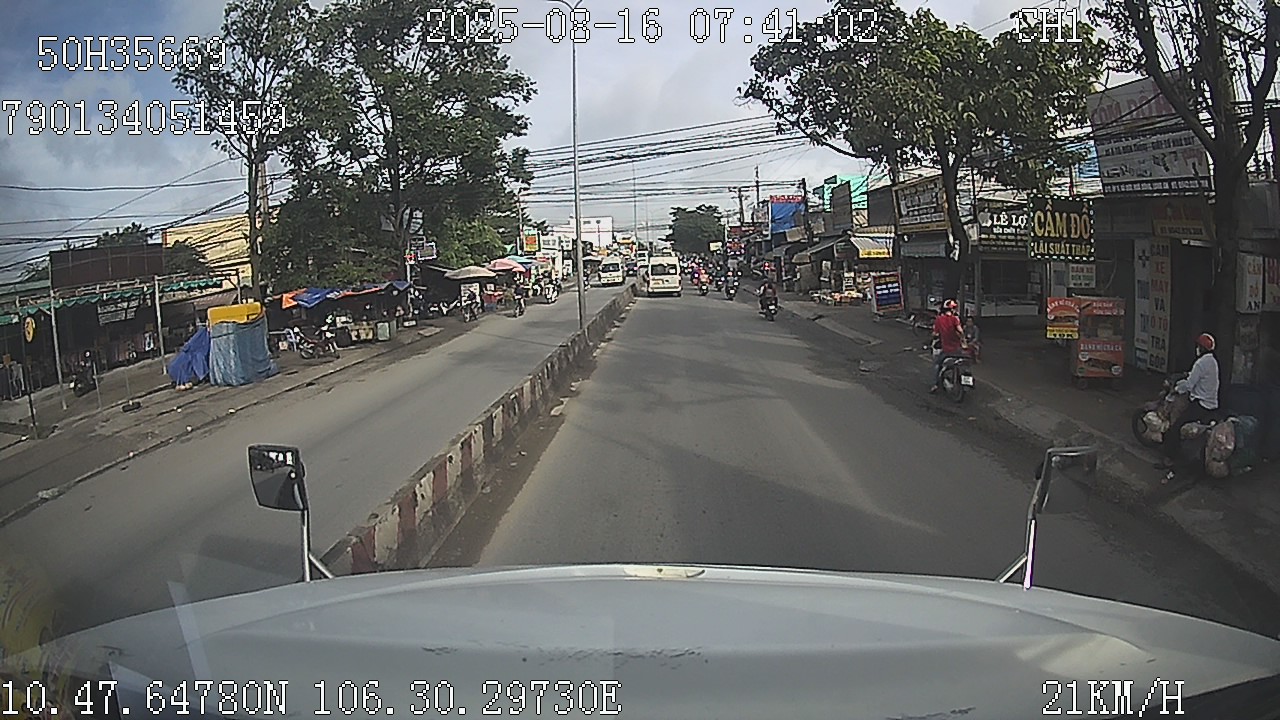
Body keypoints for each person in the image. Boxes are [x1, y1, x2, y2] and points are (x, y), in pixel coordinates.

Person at [1159, 333, 1220, 468]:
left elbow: (1189, 385)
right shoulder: (1212, 361)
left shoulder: (1200, 363)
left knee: (1175, 428)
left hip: (1201, 404)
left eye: (1198, 346)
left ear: (1201, 348)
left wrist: (1176, 389)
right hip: (1211, 403)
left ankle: (1169, 459)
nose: (1197, 348)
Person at [929, 299, 965, 393]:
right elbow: (960, 331)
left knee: (937, 364)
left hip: (946, 350)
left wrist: (932, 337)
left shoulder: (939, 320)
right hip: (957, 349)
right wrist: (963, 341)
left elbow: (935, 333)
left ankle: (935, 384)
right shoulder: (955, 319)